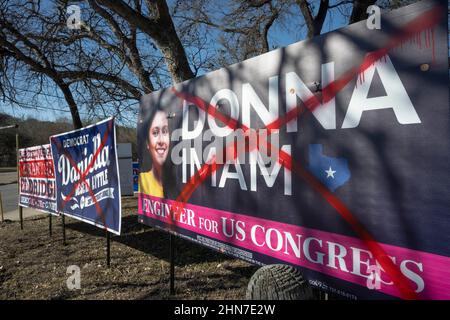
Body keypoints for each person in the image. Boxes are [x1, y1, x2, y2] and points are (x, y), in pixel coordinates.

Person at [139, 109, 170, 198]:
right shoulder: (143, 180)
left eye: (164, 131)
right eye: (155, 133)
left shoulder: (181, 182)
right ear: (147, 143)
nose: (161, 140)